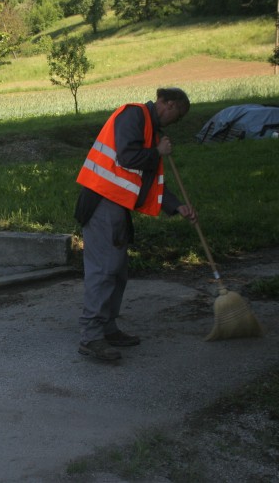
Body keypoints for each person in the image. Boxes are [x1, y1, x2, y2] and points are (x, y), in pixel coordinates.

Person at [74, 87, 198, 362]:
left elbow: (149, 182)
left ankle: (107, 327)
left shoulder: (150, 131)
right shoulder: (134, 115)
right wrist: (157, 151)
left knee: (117, 271)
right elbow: (127, 158)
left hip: (116, 206)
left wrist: (176, 205)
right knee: (104, 270)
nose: (174, 121)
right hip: (101, 203)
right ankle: (91, 337)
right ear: (165, 102)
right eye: (176, 114)